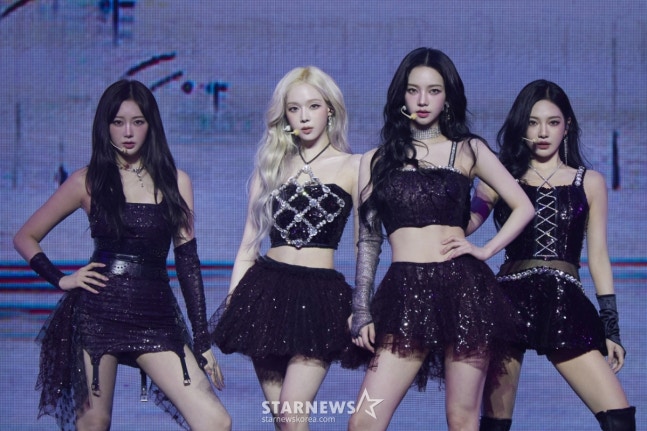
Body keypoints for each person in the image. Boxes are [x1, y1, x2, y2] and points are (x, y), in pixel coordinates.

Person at [14, 79, 231, 431]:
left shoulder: (176, 181)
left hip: (156, 315)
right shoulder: (87, 181)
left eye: (137, 121)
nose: (128, 132)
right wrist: (62, 279)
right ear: (106, 126)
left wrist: (202, 342)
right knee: (94, 424)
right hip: (98, 312)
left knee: (216, 422)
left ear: (151, 125)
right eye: (118, 122)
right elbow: (25, 236)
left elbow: (188, 264)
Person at [347, 47, 535, 431]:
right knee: (364, 421)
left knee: (461, 419)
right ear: (401, 96)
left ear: (447, 97)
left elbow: (523, 207)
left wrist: (484, 250)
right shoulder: (375, 160)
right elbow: (368, 240)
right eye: (413, 90)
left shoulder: (468, 148)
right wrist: (361, 306)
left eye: (433, 91)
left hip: (464, 290)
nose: (422, 100)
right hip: (403, 291)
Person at [468, 80, 635, 431]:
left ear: (567, 125)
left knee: (619, 419)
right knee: (494, 425)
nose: (543, 132)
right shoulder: (501, 178)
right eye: (533, 122)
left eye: (553, 122)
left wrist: (611, 328)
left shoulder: (589, 182)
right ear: (521, 126)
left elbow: (598, 256)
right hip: (507, 302)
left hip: (563, 301)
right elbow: (466, 225)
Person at [210, 66, 362, 430]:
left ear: (330, 109)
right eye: (294, 108)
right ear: (285, 116)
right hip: (265, 294)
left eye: (313, 106)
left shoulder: (355, 167)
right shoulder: (270, 166)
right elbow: (248, 245)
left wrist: (362, 304)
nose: (304, 117)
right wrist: (234, 301)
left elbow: (363, 246)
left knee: (292, 415)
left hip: (320, 298)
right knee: (284, 421)